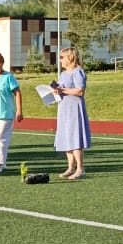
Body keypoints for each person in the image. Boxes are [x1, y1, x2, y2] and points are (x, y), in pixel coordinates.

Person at [52, 47, 91, 179]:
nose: (60, 60)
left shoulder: (78, 71)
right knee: (66, 136)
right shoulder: (63, 74)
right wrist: (55, 90)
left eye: (62, 57)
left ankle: (80, 168)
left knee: (75, 137)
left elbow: (80, 91)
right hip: (64, 108)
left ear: (70, 57)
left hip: (74, 108)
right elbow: (61, 88)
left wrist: (63, 90)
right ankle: (70, 167)